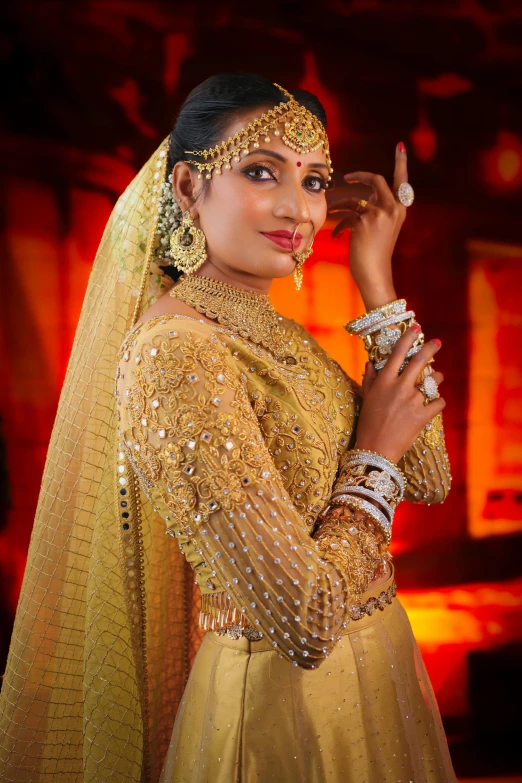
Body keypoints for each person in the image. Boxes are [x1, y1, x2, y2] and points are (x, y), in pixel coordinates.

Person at [0, 73, 456, 782]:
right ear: (186, 189)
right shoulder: (175, 352)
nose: (297, 208)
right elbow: (304, 619)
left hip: (372, 684)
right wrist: (374, 453)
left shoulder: (275, 331)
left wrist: (377, 277)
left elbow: (429, 473)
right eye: (261, 171)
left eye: (313, 181)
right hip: (283, 715)